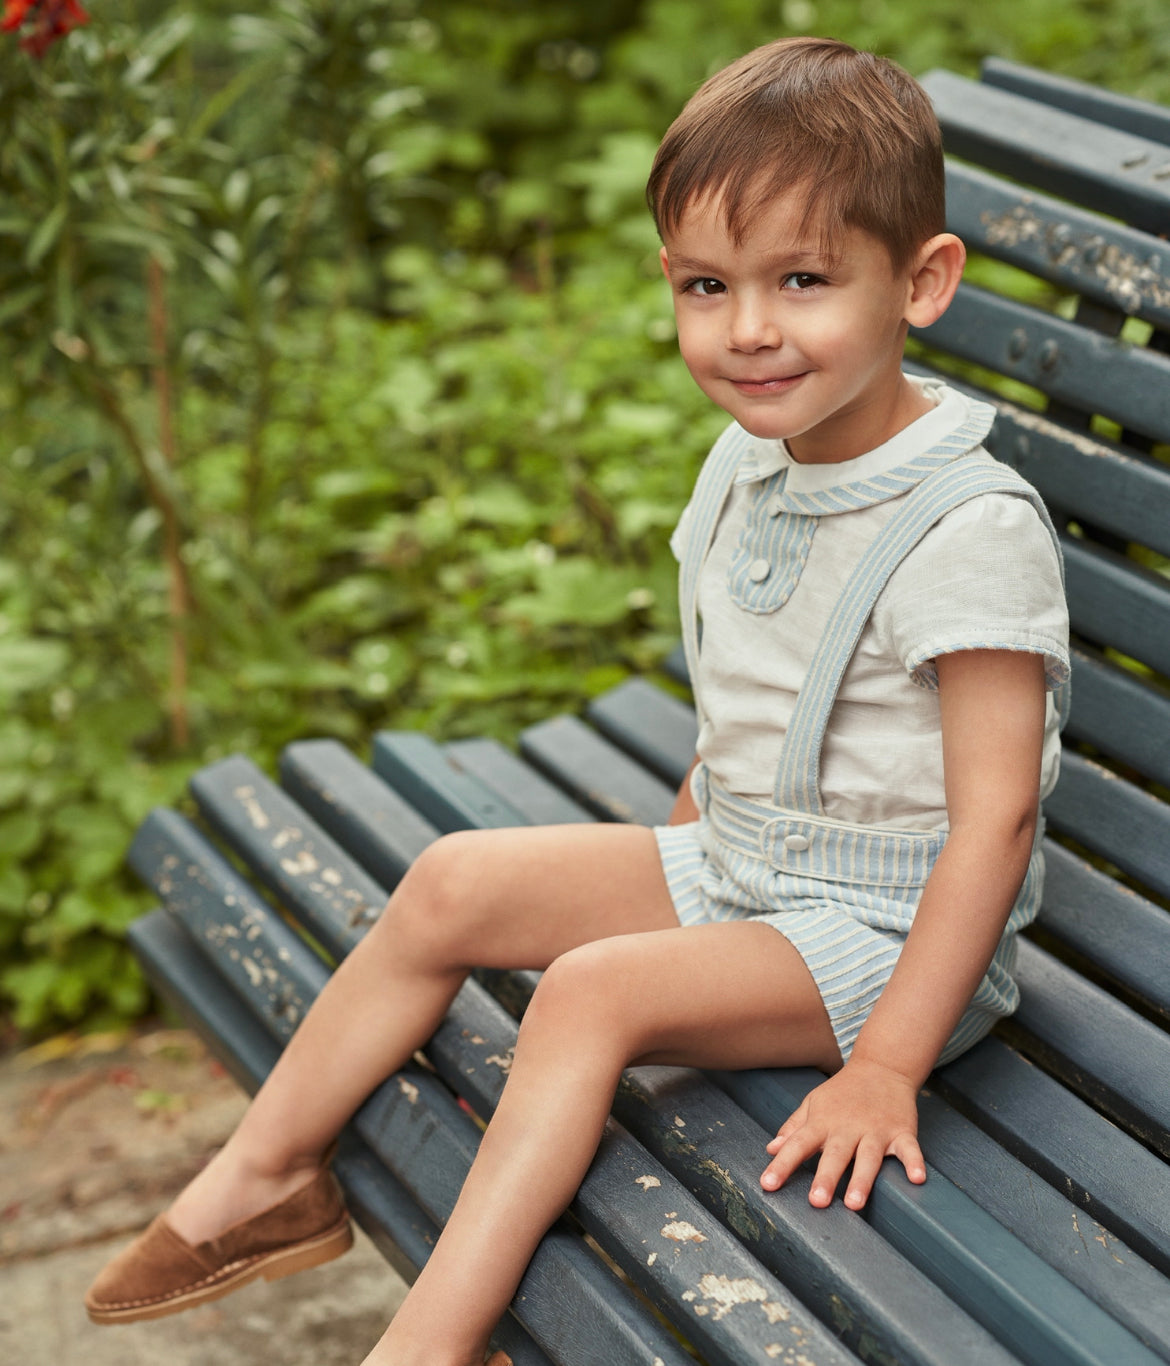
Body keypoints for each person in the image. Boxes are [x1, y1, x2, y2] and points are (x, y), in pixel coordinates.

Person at [85, 34, 1069, 1366]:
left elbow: (992, 826)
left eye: (800, 279)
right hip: (749, 868)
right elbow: (751, 695)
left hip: (891, 940)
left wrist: (887, 1062)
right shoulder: (750, 458)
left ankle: (429, 1339)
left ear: (922, 280)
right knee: (449, 882)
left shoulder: (964, 524)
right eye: (705, 287)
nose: (748, 328)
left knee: (590, 993)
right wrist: (675, 853)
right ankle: (266, 1179)